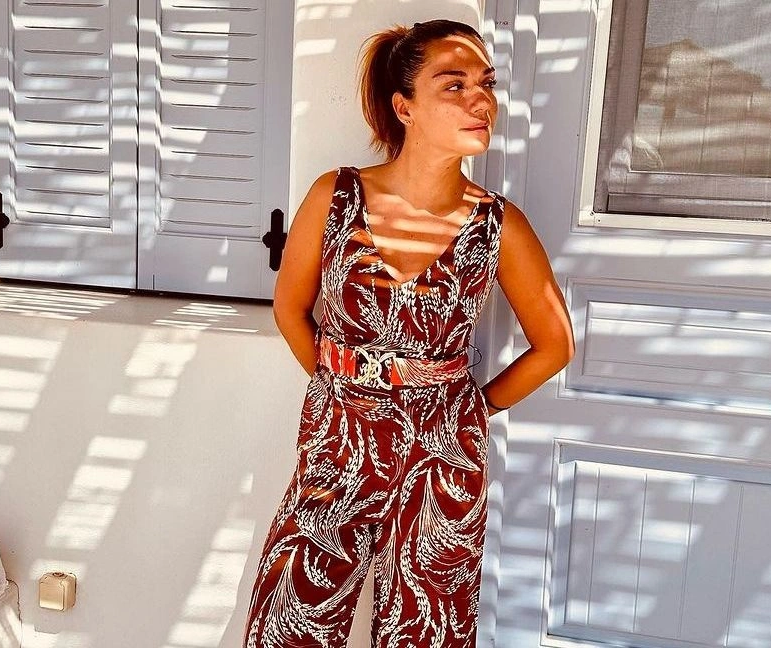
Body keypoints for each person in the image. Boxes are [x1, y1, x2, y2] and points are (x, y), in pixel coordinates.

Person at [242, 19, 575, 648]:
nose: (482, 101)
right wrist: (342, 386)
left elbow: (555, 344)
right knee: (292, 618)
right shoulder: (336, 196)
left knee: (428, 629)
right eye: (455, 85)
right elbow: (290, 308)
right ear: (405, 107)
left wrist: (470, 410)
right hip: (338, 443)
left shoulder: (499, 225)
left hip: (443, 453)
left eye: (487, 84)